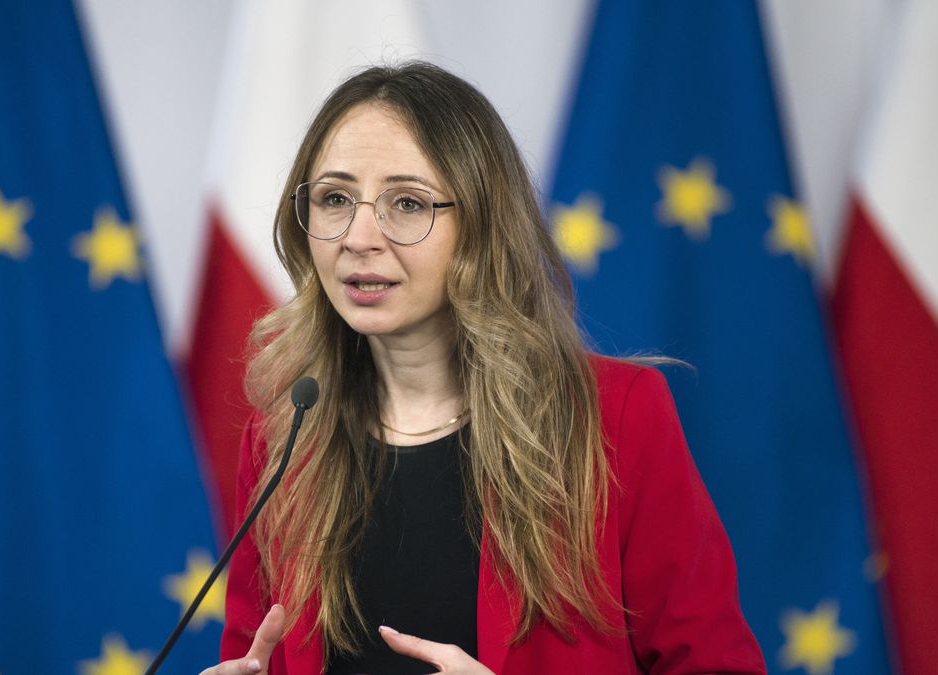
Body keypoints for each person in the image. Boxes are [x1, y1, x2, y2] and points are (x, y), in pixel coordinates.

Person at [203, 62, 765, 675]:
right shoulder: (286, 435)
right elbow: (252, 652)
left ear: (481, 226)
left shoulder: (617, 416)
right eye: (336, 198)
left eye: (407, 203)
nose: (359, 236)